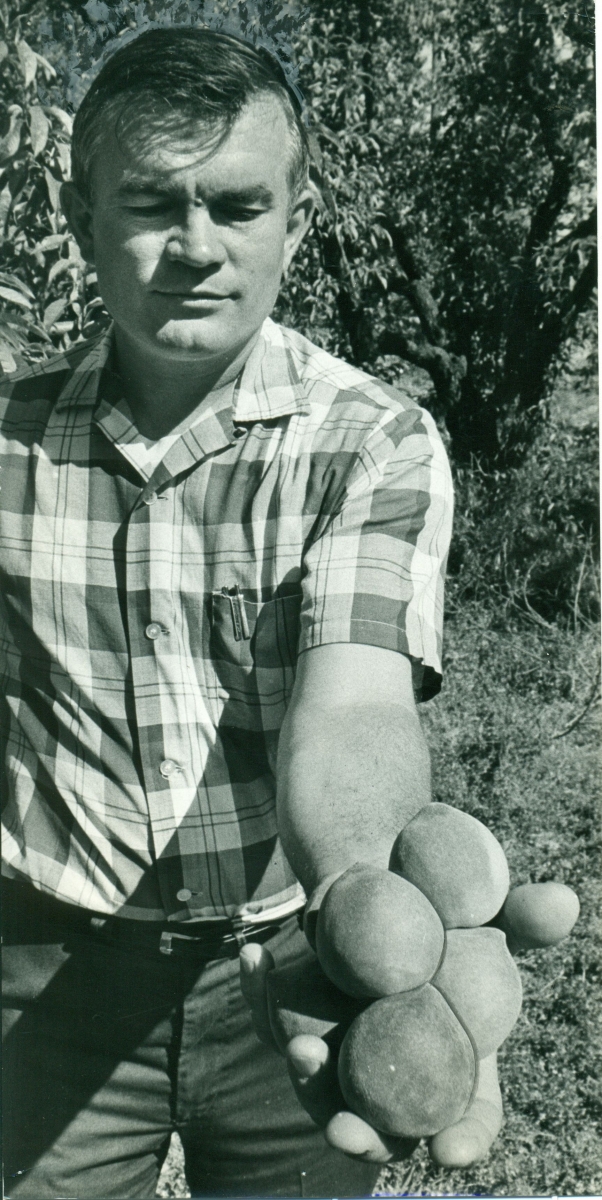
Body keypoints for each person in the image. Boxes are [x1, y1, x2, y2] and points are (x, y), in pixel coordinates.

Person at [1, 25, 501, 1199]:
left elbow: (357, 708)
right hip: (46, 964)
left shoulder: (366, 443)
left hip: (288, 964)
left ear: (297, 218)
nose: (194, 248)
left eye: (235, 205)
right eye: (150, 205)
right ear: (79, 219)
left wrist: (368, 917)